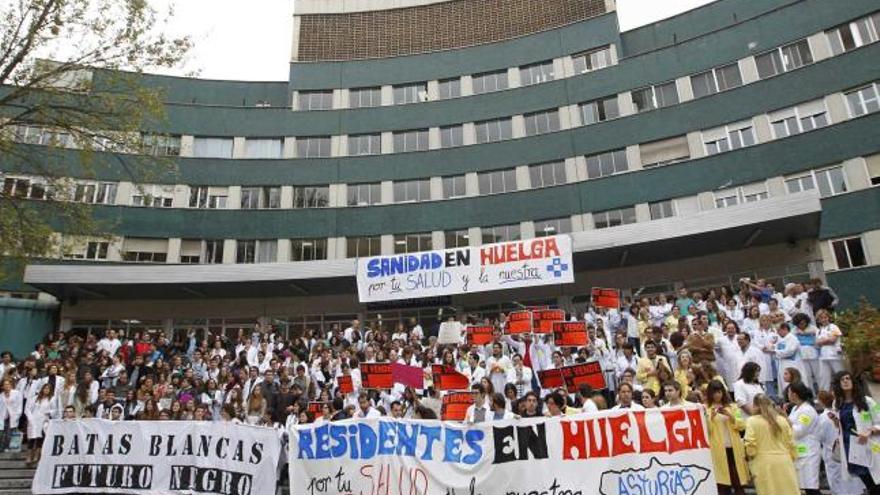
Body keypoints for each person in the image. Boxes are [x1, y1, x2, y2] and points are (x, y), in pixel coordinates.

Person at [831, 371, 880, 495]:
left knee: (876, 480)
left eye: (848, 378)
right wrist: (835, 421)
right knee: (868, 482)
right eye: (842, 379)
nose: (846, 381)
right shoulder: (837, 404)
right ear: (838, 384)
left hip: (868, 445)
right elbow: (840, 427)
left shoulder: (867, 401)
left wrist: (869, 432)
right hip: (850, 447)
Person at [743, 394, 800, 495]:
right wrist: (793, 457)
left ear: (755, 405)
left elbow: (750, 445)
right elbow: (791, 442)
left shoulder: (752, 421)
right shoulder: (782, 420)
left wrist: (750, 457)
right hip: (784, 461)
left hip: (764, 464)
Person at [815, 390, 864, 495]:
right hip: (845, 450)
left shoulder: (823, 418)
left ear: (821, 401)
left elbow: (819, 436)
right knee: (851, 479)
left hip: (832, 453)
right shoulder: (839, 413)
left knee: (837, 482)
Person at [705, 380, 748, 495]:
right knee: (722, 484)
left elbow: (742, 425)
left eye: (719, 392)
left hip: (733, 448)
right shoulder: (706, 409)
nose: (717, 395)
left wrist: (730, 416)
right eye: (714, 393)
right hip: (718, 450)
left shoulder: (733, 407)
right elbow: (706, 430)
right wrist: (711, 418)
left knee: (737, 481)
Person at [786, 382, 820, 495]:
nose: (788, 395)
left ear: (795, 394)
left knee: (811, 487)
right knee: (804, 486)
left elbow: (798, 431)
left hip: (809, 452)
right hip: (799, 451)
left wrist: (785, 418)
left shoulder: (808, 410)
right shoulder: (795, 408)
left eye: (789, 392)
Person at [814, 309, 844, 392]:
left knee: (840, 375)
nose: (824, 319)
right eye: (821, 318)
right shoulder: (818, 330)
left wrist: (823, 341)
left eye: (825, 317)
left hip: (834, 355)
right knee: (824, 377)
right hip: (823, 356)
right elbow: (816, 343)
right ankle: (825, 395)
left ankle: (843, 392)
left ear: (828, 317)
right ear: (818, 320)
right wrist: (826, 340)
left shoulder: (834, 327)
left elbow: (833, 340)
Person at [25, 383, 53, 466]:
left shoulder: (51, 399)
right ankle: (29, 456)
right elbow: (27, 409)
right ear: (42, 389)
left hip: (44, 421)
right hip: (33, 420)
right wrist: (31, 419)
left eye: (48, 389)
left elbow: (54, 410)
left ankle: (37, 456)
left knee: (40, 438)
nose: (46, 390)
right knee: (32, 439)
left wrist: (48, 413)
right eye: (45, 388)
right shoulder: (35, 398)